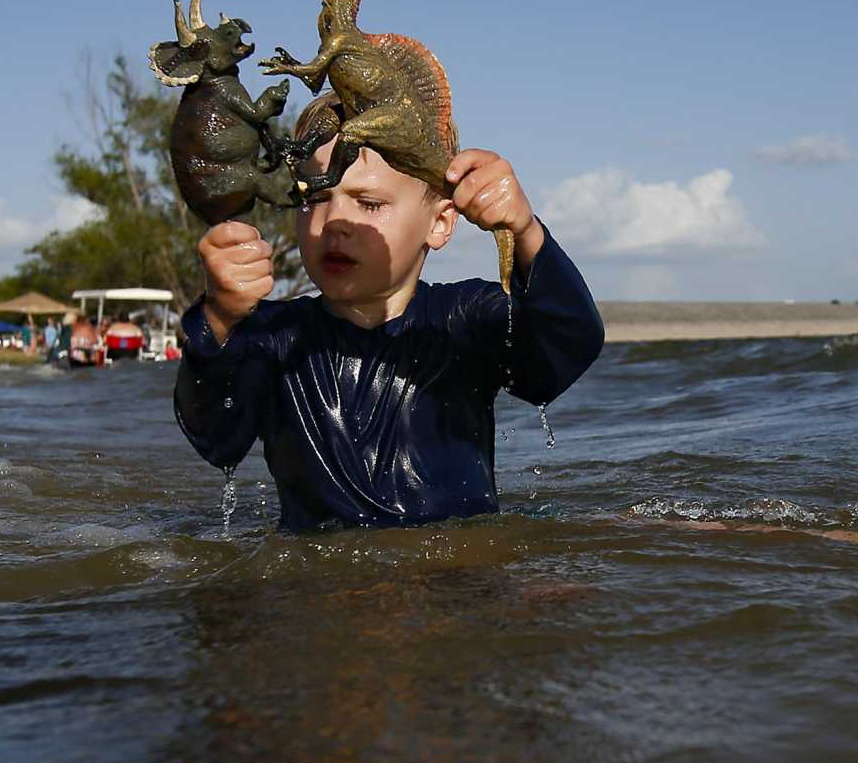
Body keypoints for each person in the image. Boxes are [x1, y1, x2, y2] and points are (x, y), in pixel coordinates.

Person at [174, 136, 603, 530]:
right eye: (316, 197)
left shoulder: (463, 320)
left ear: (439, 224)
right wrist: (219, 317)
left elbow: (566, 347)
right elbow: (215, 437)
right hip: (322, 587)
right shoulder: (275, 337)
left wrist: (525, 232)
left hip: (451, 580)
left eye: (369, 203)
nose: (335, 220)